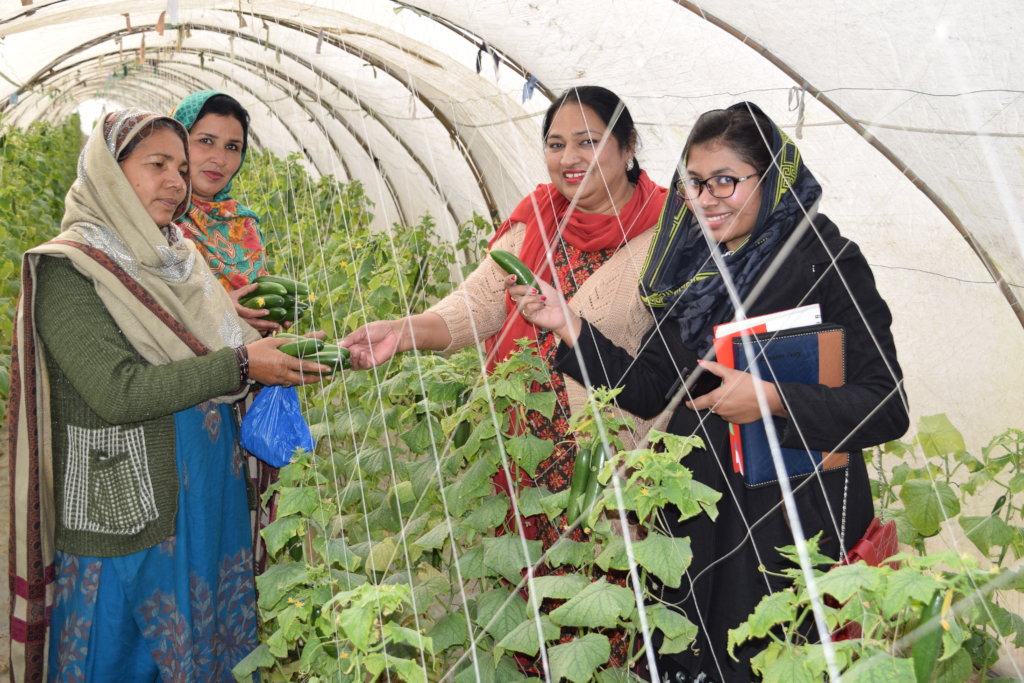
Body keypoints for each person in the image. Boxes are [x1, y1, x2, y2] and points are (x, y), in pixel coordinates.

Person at [512, 102, 909, 681]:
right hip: (697, 513)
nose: (706, 198)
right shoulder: (695, 270)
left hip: (786, 524)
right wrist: (568, 323)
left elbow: (886, 404)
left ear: (771, 179)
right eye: (694, 182)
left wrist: (771, 399)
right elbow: (651, 389)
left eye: (726, 180)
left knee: (772, 657)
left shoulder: (828, 263)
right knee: (687, 651)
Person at [342, 85, 668, 667]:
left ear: (628, 146)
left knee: (602, 609)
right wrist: (405, 329)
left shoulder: (671, 233)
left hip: (609, 461)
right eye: (556, 144)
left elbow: (677, 358)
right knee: (524, 610)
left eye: (588, 142)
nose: (569, 158)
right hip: (521, 455)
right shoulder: (536, 220)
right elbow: (478, 306)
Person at [6, 109, 330, 681]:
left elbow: (212, 344)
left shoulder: (179, 256)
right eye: (157, 164)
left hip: (206, 492)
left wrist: (270, 352)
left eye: (181, 168)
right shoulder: (70, 268)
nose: (177, 182)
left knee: (206, 641)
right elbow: (117, 392)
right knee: (128, 650)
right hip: (125, 506)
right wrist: (239, 363)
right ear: (108, 171)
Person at [172, 90, 280, 335]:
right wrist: (219, 310)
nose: (220, 159)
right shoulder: (156, 219)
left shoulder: (243, 223)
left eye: (232, 147)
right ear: (177, 141)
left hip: (255, 365)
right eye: (206, 141)